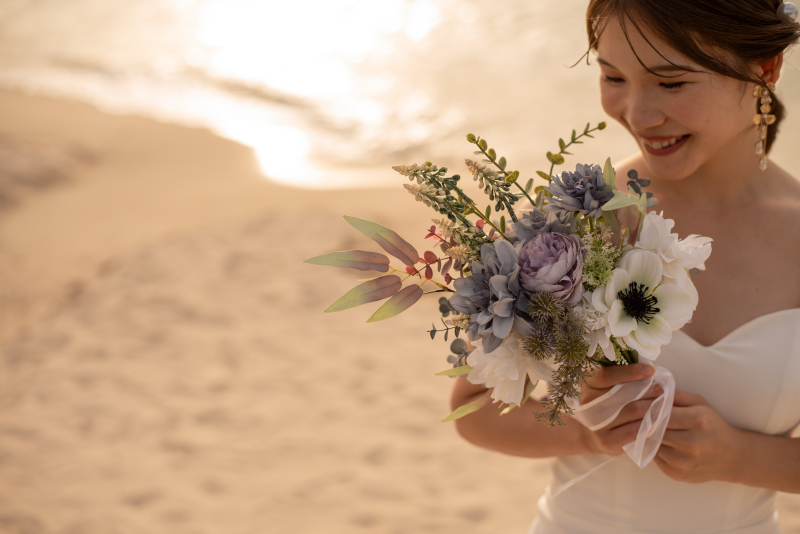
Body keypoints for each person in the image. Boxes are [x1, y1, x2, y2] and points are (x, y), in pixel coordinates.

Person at [450, 1, 800, 532]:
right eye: (613, 76)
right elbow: (473, 408)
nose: (637, 114)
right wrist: (585, 432)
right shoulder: (580, 219)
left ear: (765, 68)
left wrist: (740, 457)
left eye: (671, 82)